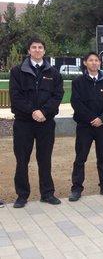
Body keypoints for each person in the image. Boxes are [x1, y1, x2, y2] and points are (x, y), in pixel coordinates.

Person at [9, 37, 64, 208]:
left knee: (45, 159)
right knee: (22, 159)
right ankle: (22, 195)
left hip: (45, 123)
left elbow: (57, 96)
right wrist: (33, 111)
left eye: (40, 47)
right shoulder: (17, 72)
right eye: (34, 47)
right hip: (24, 123)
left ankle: (47, 193)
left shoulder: (53, 73)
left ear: (44, 51)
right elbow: (16, 97)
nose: (37, 50)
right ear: (29, 51)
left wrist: (44, 112)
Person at [69, 52, 103, 202]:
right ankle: (76, 188)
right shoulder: (78, 82)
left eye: (97, 60)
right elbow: (76, 104)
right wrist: (92, 118)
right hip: (85, 126)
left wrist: (102, 119)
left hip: (102, 127)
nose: (94, 63)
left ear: (100, 63)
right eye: (91, 60)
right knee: (80, 158)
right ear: (85, 63)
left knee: (102, 158)